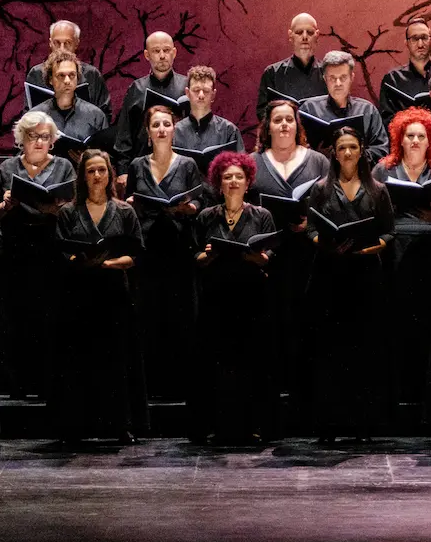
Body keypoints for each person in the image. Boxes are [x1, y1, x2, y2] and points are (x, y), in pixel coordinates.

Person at [50, 148, 147, 441]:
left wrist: (108, 263)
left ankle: (120, 424)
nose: (96, 176)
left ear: (110, 175)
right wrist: (80, 261)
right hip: (78, 293)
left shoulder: (125, 211)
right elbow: (60, 252)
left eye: (101, 170)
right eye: (90, 171)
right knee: (78, 361)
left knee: (116, 359)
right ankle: (76, 425)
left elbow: (136, 254)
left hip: (113, 294)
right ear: (82, 176)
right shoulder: (68, 212)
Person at [302, 128, 394, 438]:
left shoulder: (377, 189)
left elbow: (389, 230)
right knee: (331, 350)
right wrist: (325, 244)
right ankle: (330, 423)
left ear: (361, 150)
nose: (348, 153)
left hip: (366, 274)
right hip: (331, 275)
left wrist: (376, 246)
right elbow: (311, 229)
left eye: (353, 147)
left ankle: (363, 423)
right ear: (335, 153)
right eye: (342, 148)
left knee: (364, 350)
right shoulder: (321, 189)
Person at [189, 150, 279, 444]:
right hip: (217, 300)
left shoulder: (262, 216)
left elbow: (270, 257)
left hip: (251, 299)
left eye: (238, 177)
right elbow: (196, 257)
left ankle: (254, 426)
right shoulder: (206, 216)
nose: (233, 181)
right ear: (219, 182)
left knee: (252, 363)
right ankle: (217, 426)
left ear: (248, 181)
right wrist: (209, 255)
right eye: (227, 177)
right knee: (217, 364)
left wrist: (255, 257)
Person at [250, 99, 329, 428]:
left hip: (307, 255)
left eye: (289, 120)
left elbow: (331, 202)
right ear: (267, 127)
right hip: (270, 257)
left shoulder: (318, 162)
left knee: (307, 323)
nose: (283, 125)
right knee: (271, 324)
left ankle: (307, 399)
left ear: (298, 126)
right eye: (277, 120)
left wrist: (311, 222)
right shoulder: (253, 162)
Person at [0, 112, 74, 400]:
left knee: (49, 316)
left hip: (50, 250)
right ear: (21, 139)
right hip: (15, 250)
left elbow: (75, 210)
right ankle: (16, 383)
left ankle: (47, 381)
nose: (39, 142)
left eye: (45, 137)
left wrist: (55, 210)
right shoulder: (7, 168)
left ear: (53, 141)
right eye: (33, 136)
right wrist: (5, 205)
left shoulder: (64, 167)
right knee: (14, 317)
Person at [125, 103, 205, 401]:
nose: (161, 129)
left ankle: (180, 385)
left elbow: (200, 201)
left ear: (174, 130)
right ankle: (152, 386)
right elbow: (131, 202)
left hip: (178, 246)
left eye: (166, 124)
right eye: (156, 125)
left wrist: (190, 207)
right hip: (148, 248)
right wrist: (133, 203)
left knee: (179, 314)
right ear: (148, 132)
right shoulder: (137, 165)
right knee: (149, 313)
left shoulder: (187, 165)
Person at [381, 106, 431, 424]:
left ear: (430, 140)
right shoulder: (384, 169)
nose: (414, 141)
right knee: (397, 319)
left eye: (421, 136)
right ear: (399, 138)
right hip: (396, 249)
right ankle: (400, 390)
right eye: (409, 135)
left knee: (428, 318)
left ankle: (427, 393)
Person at [113, 30, 185, 167]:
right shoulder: (136, 88)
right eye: (156, 51)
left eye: (166, 50)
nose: (162, 56)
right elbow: (124, 132)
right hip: (142, 164)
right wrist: (123, 170)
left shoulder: (187, 86)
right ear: (147, 55)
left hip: (180, 165)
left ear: (174, 52)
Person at [299, 50, 386, 160]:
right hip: (321, 168)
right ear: (325, 79)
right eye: (332, 78)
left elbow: (381, 149)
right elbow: (298, 149)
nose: (338, 83)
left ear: (351, 78)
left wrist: (354, 155)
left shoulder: (367, 110)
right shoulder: (309, 109)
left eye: (343, 77)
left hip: (360, 169)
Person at [23, 20, 112, 122]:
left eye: (67, 43)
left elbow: (104, 114)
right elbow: (28, 115)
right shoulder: (36, 73)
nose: (62, 48)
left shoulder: (92, 75)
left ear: (76, 43)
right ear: (50, 43)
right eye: (57, 43)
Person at [35, 49, 107, 160]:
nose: (67, 80)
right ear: (50, 79)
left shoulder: (96, 116)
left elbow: (106, 159)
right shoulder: (35, 115)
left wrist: (86, 162)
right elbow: (22, 156)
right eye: (61, 75)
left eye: (72, 75)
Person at [378, 19, 431, 122]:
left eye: (424, 37)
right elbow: (387, 121)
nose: (420, 44)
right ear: (406, 43)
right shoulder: (392, 80)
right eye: (414, 39)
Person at [256, 13, 327, 116]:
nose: (305, 37)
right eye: (299, 32)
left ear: (317, 36)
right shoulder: (272, 73)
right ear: (290, 36)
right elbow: (263, 114)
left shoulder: (328, 73)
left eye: (310, 32)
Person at [173, 65, 243, 165]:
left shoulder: (229, 131)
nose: (201, 95)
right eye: (196, 90)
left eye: (206, 91)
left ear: (213, 95)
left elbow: (240, 168)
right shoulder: (175, 132)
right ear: (187, 93)